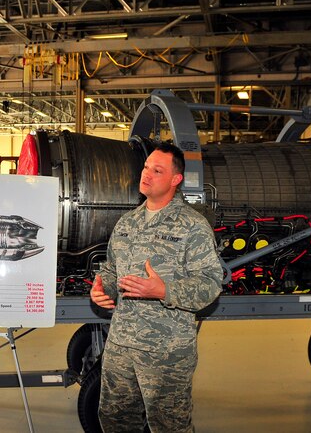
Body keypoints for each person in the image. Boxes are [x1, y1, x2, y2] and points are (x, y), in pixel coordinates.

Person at [90, 143, 222, 432]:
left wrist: (164, 291)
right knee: (114, 420)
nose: (146, 174)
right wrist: (102, 288)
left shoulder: (192, 226)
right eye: (146, 167)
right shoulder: (127, 222)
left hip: (166, 352)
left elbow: (211, 283)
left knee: (168, 426)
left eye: (157, 170)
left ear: (176, 179)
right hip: (121, 344)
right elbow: (112, 268)